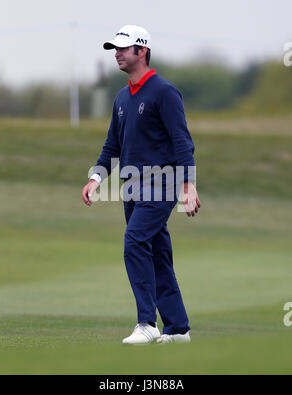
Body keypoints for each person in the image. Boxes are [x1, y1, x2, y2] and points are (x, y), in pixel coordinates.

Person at [82, 25, 200, 345]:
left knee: (134, 242)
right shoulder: (121, 97)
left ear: (142, 51)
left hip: (161, 184)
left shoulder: (164, 92)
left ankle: (147, 323)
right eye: (114, 48)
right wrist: (96, 178)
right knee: (158, 255)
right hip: (131, 189)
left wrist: (188, 185)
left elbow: (182, 142)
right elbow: (112, 146)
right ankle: (178, 329)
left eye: (123, 48)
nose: (117, 53)